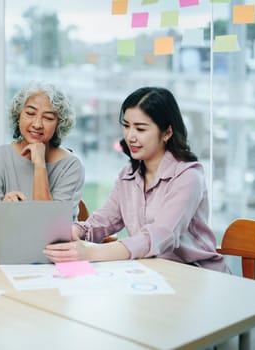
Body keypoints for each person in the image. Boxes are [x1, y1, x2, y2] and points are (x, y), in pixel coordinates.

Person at [44, 86, 229, 273]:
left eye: (140, 128)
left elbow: (159, 236)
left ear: (167, 133)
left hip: (197, 275)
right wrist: (76, 231)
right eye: (126, 126)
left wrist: (91, 253)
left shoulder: (188, 176)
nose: (130, 136)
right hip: (153, 273)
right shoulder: (128, 175)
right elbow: (105, 220)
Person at [0, 81, 85, 215]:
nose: (37, 124)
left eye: (48, 118)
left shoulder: (71, 166)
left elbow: (49, 225)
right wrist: (3, 210)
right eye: (30, 113)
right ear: (18, 115)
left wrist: (40, 165)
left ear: (59, 124)